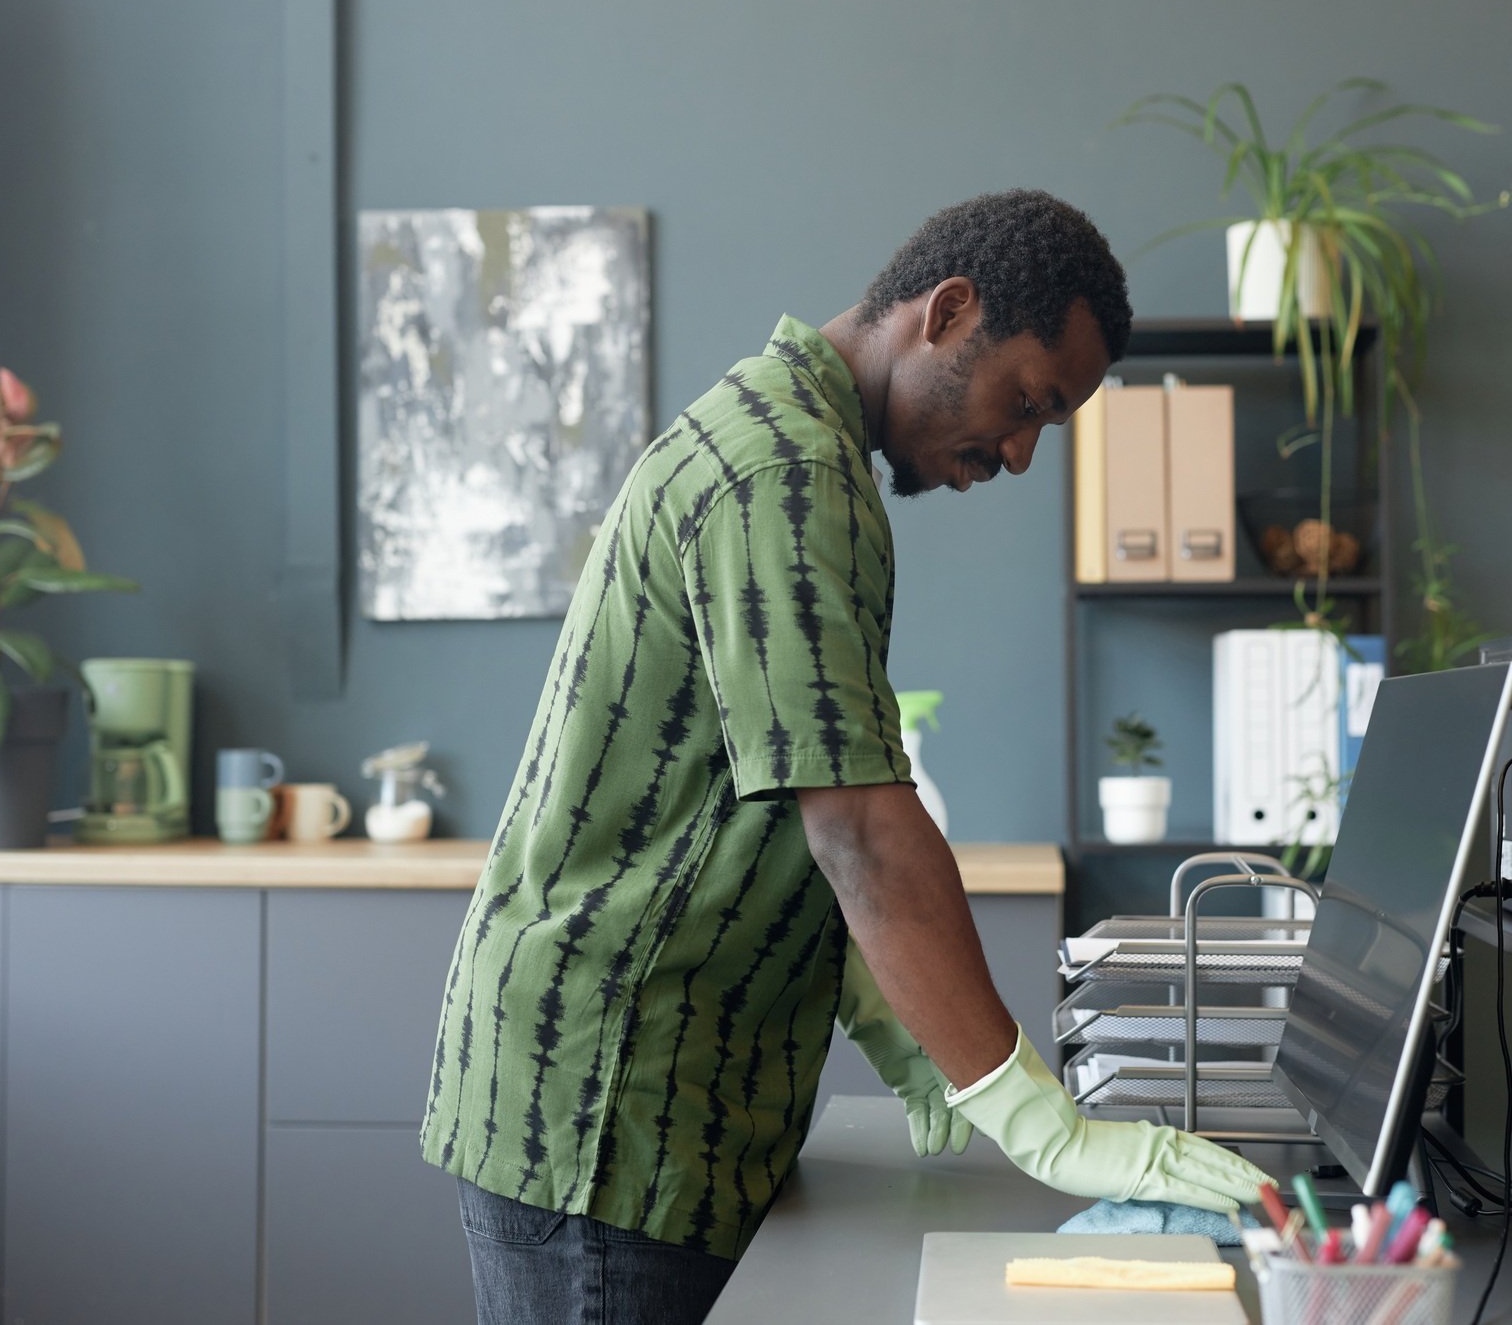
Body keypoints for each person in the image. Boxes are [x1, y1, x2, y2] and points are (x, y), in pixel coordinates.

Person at [422, 189, 1272, 1325]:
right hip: (605, 1111)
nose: (1020, 453)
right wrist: (1035, 1119)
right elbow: (859, 827)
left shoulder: (801, 452)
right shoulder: (784, 474)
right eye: (1025, 401)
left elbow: (780, 798)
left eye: (1046, 427)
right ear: (947, 311)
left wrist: (903, 1029)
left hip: (661, 1097)